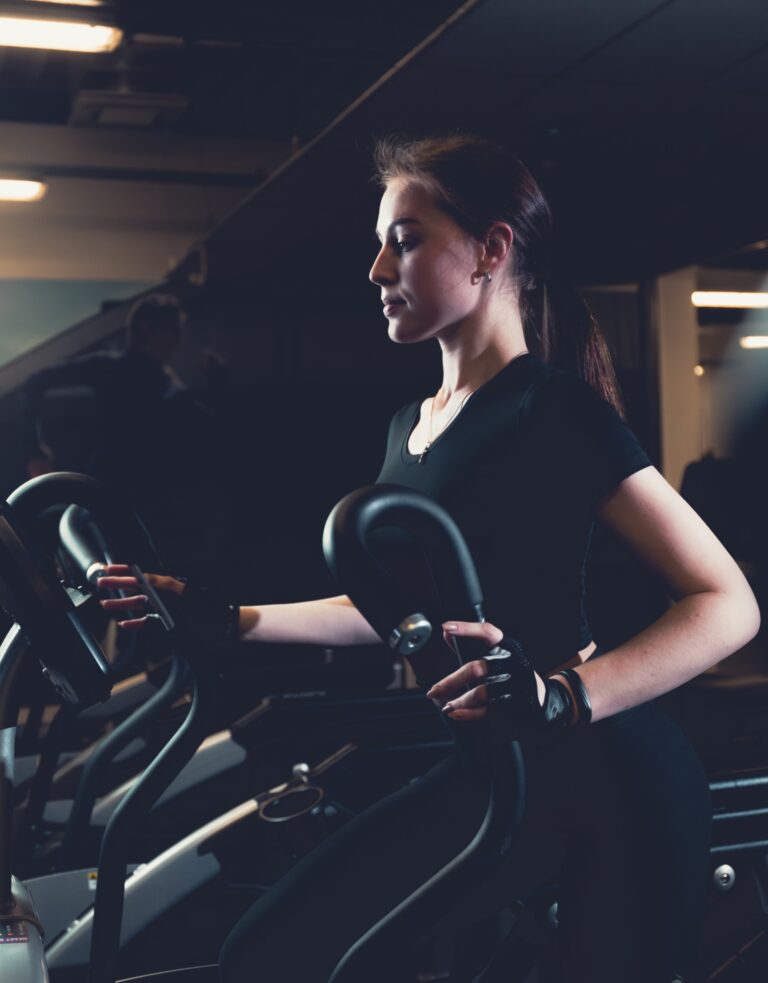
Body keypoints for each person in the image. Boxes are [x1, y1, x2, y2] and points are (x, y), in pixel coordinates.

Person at [97, 135, 759, 983]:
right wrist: (226, 619)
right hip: (492, 766)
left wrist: (563, 695)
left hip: (604, 778)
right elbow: (389, 608)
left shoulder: (551, 411)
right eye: (381, 243)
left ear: (490, 249)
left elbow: (727, 602)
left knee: (290, 955)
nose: (377, 268)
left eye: (404, 241)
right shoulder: (407, 427)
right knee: (264, 952)